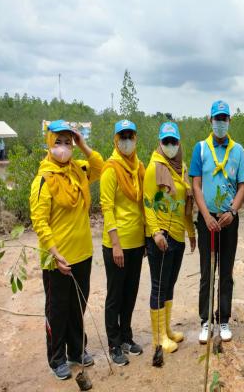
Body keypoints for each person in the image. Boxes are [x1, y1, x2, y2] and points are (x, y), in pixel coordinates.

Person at [29, 120, 103, 380]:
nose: (63, 147)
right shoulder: (43, 180)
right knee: (57, 310)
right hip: (57, 259)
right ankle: (57, 358)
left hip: (82, 254)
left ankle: (76, 350)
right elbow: (40, 222)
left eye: (67, 142)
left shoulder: (78, 170)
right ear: (49, 144)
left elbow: (100, 167)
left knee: (77, 307)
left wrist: (83, 144)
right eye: (58, 142)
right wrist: (54, 252)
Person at [189, 100, 244, 344]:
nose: (220, 123)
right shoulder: (201, 148)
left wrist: (232, 211)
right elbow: (196, 185)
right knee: (206, 272)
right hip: (207, 220)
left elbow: (242, 185)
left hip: (228, 220)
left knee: (225, 272)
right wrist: (206, 216)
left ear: (229, 121)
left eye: (224, 118)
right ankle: (205, 321)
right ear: (210, 120)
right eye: (217, 118)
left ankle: (223, 319)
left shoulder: (238, 150)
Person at [144, 121, 196, 356]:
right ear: (160, 142)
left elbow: (185, 205)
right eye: (166, 141)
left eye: (174, 141)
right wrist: (155, 232)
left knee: (170, 283)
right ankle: (158, 338)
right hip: (161, 236)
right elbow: (147, 203)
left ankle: (166, 330)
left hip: (178, 234)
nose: (170, 145)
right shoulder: (154, 168)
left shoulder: (181, 168)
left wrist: (191, 232)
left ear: (179, 142)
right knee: (159, 285)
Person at [100, 120, 145, 366]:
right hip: (117, 245)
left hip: (136, 242)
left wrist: (146, 236)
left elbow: (143, 203)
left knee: (130, 293)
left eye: (130, 136)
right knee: (115, 296)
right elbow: (107, 207)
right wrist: (115, 244)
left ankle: (126, 336)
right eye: (122, 136)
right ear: (116, 140)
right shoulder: (111, 168)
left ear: (135, 139)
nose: (127, 140)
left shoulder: (139, 167)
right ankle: (114, 343)